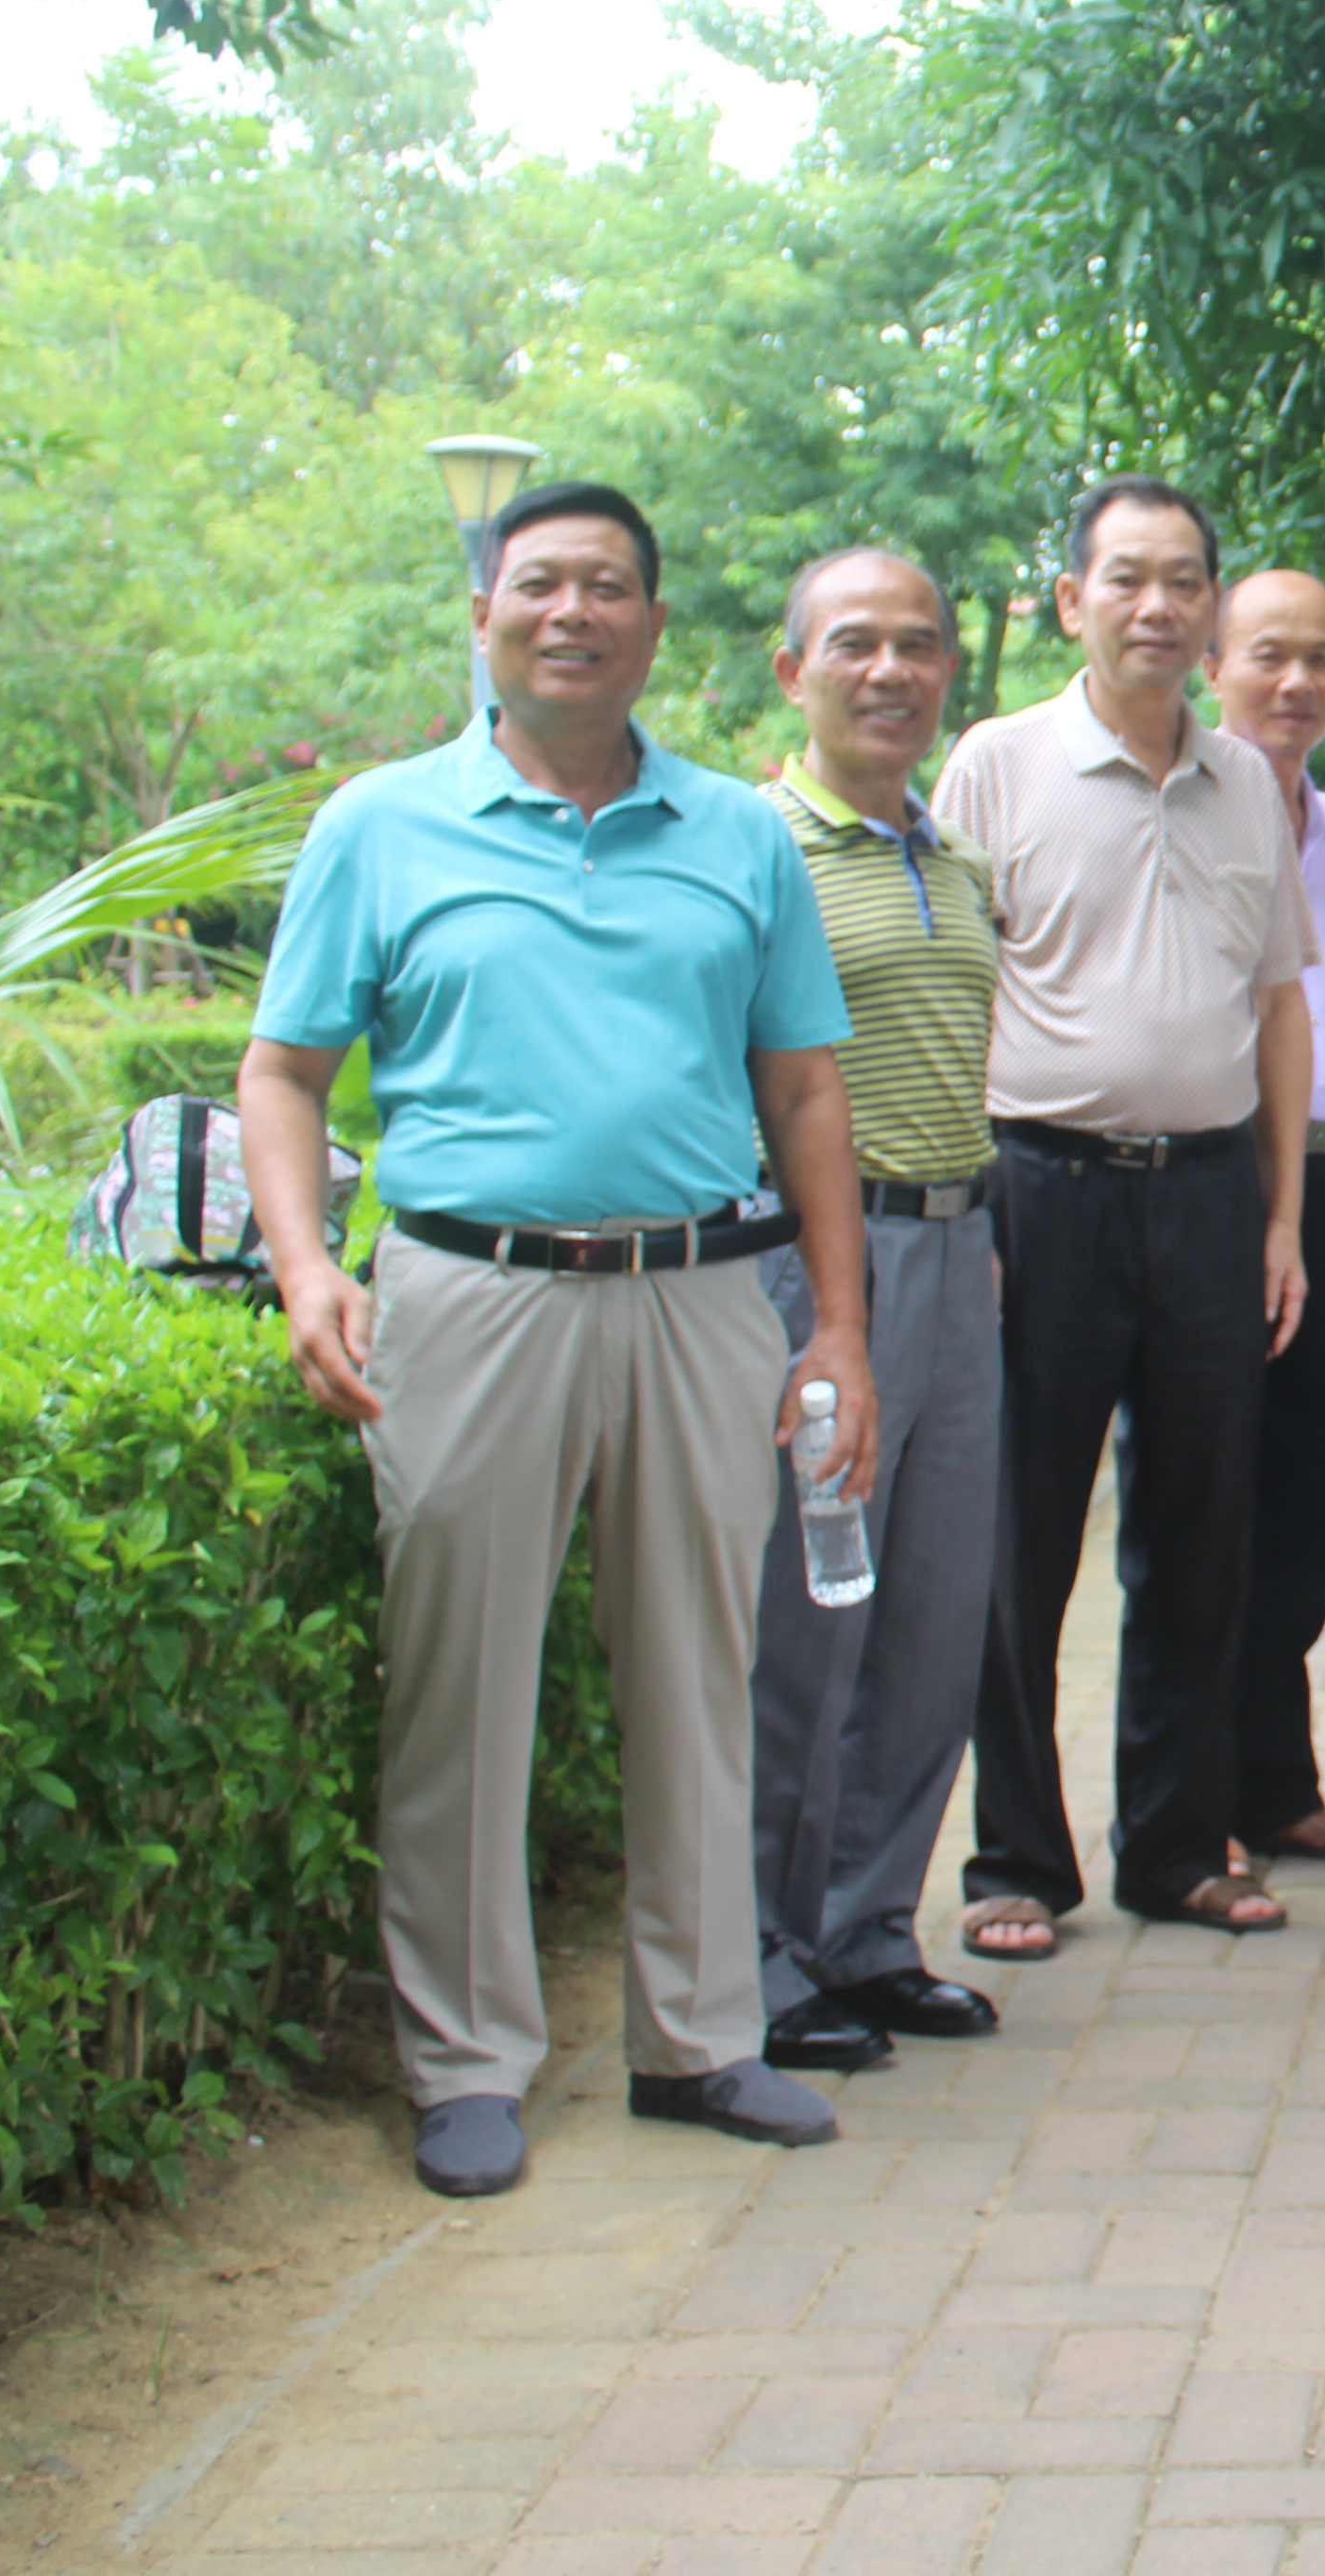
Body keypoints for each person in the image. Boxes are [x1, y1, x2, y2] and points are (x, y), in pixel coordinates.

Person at [236, 481, 873, 2197]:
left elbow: (806, 1088)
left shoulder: (739, 834)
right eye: (538, 586)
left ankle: (698, 2040)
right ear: (484, 620)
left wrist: (839, 1331)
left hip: (694, 1299)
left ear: (655, 629)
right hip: (468, 1293)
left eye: (608, 587)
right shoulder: (382, 825)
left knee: (695, 1678)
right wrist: (309, 1268)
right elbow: (283, 1073)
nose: (572, 611)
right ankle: (464, 2061)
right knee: (465, 1688)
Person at [937, 479, 1317, 1954]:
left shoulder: (1242, 783)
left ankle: (1174, 1845)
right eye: (1128, 580)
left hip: (1214, 1197)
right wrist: (970, 1207)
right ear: (1070, 602)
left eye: (1185, 582)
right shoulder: (998, 762)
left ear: (1212, 609)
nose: (1158, 607)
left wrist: (1285, 1217)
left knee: (1200, 1534)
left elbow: (1280, 1009)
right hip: (1043, 1191)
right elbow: (951, 988)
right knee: (1021, 1538)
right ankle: (1016, 1861)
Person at [746, 550, 1013, 2076]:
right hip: (811, 1278)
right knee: (805, 1618)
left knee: (928, 1616)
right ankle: (765, 1955)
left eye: (920, 646)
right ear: (794, 672)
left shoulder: (954, 855)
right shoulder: (752, 846)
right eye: (856, 644)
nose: (892, 671)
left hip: (955, 1251)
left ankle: (866, 1932)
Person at [1209, 565, 1325, 1870]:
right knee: (1200, 1499)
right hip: (1209, 1182)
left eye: (1321, 660)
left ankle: (1274, 1783)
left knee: (1302, 1503)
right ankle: (1181, 1798)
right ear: (1218, 661)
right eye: (1269, 655)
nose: (1296, 683)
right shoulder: (1185, 812)